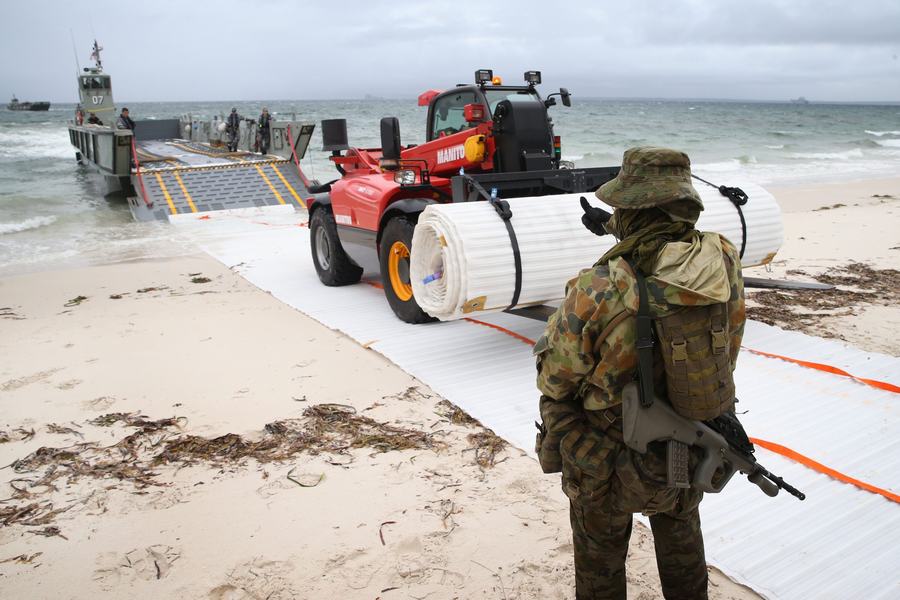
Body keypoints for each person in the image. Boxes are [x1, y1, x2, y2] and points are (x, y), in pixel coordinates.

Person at [534, 146, 745, 600]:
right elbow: (730, 339)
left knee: (601, 555)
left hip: (608, 458)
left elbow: (557, 378)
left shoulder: (600, 285)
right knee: (681, 532)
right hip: (690, 440)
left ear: (632, 208)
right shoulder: (721, 260)